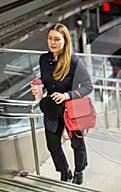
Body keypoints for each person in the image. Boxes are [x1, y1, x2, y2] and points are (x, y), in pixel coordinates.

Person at [31, 23, 93, 185]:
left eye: (57, 39)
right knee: (52, 144)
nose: (52, 42)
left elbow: (88, 86)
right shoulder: (44, 59)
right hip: (53, 108)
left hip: (71, 109)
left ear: (65, 41)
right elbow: (46, 81)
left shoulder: (74, 62)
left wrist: (66, 95)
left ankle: (79, 173)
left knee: (77, 144)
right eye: (50, 38)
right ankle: (64, 171)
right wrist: (40, 86)